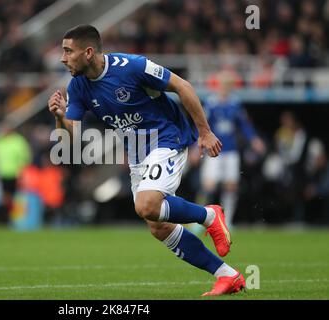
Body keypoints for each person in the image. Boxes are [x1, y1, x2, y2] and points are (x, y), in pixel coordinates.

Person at [47, 25, 245, 296]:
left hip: (167, 137)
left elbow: (181, 86)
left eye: (68, 51)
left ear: (89, 52)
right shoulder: (78, 86)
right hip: (138, 151)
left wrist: (205, 131)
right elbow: (72, 135)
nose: (62, 57)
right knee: (158, 226)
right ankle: (227, 275)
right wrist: (59, 117)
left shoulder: (131, 66)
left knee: (147, 204)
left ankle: (210, 215)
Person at [197, 70, 265, 230]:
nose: (225, 87)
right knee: (209, 185)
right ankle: (199, 220)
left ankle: (227, 221)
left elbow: (245, 125)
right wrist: (197, 145)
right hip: (214, 151)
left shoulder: (235, 104)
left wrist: (254, 139)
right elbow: (203, 126)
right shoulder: (211, 103)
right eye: (223, 84)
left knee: (231, 185)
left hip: (231, 151)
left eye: (229, 84)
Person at [0, 125, 32, 223]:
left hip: (15, 174)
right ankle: (6, 218)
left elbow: (25, 157)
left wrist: (22, 172)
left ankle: (13, 219)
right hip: (2, 173)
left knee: (13, 197)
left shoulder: (19, 141)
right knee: (5, 197)